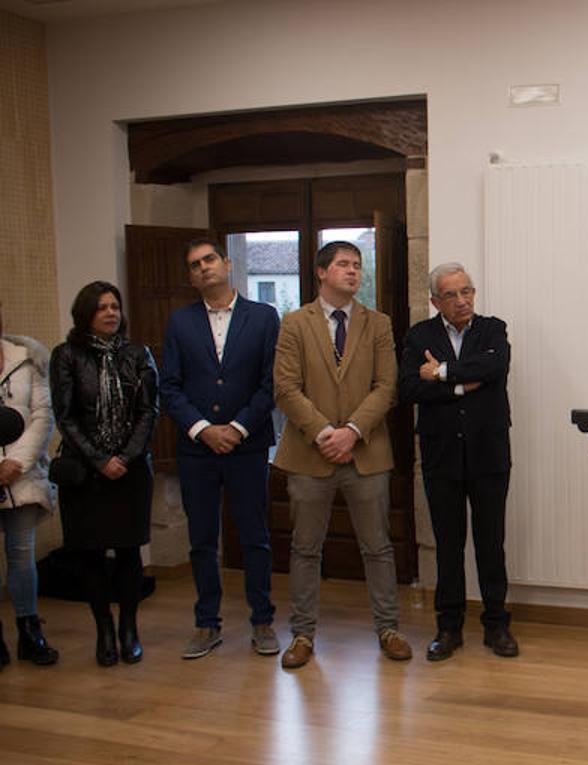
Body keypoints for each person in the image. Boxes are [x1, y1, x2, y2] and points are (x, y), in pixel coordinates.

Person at [272, 240, 405, 669]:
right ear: (321, 272)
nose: (353, 272)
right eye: (344, 265)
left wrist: (351, 431)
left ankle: (388, 628)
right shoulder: (294, 323)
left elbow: (387, 386)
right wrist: (325, 433)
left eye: (357, 265)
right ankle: (303, 635)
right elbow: (285, 388)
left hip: (366, 452)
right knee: (305, 549)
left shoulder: (377, 323)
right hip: (310, 455)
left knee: (378, 547)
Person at [161, 239, 280, 660]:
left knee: (255, 537)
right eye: (195, 265)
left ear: (227, 264)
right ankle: (206, 624)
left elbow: (271, 383)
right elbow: (169, 386)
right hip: (198, 450)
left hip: (247, 446)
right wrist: (202, 429)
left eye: (209, 259)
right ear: (191, 276)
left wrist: (236, 426)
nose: (203, 268)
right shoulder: (179, 322)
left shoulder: (264, 317)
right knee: (202, 540)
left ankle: (262, 620)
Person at [398, 263, 517, 660]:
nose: (462, 300)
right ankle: (448, 628)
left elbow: (494, 368)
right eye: (452, 294)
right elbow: (411, 387)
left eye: (467, 291)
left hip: (489, 454)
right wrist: (465, 385)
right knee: (448, 545)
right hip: (442, 455)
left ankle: (496, 625)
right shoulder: (420, 336)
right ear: (436, 301)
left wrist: (444, 373)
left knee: (491, 543)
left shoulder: (492, 329)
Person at [50, 281, 158, 666]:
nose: (111, 313)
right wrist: (100, 459)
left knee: (129, 553)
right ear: (85, 315)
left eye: (115, 306)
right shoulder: (66, 356)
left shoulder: (137, 354)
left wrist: (125, 458)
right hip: (86, 473)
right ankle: (104, 631)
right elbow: (65, 416)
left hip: (130, 472)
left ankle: (129, 629)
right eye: (101, 308)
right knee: (91, 556)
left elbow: (149, 411)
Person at [0, 304, 59, 668]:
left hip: (21, 474)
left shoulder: (26, 358)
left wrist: (14, 462)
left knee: (21, 554)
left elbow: (42, 414)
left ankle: (29, 630)